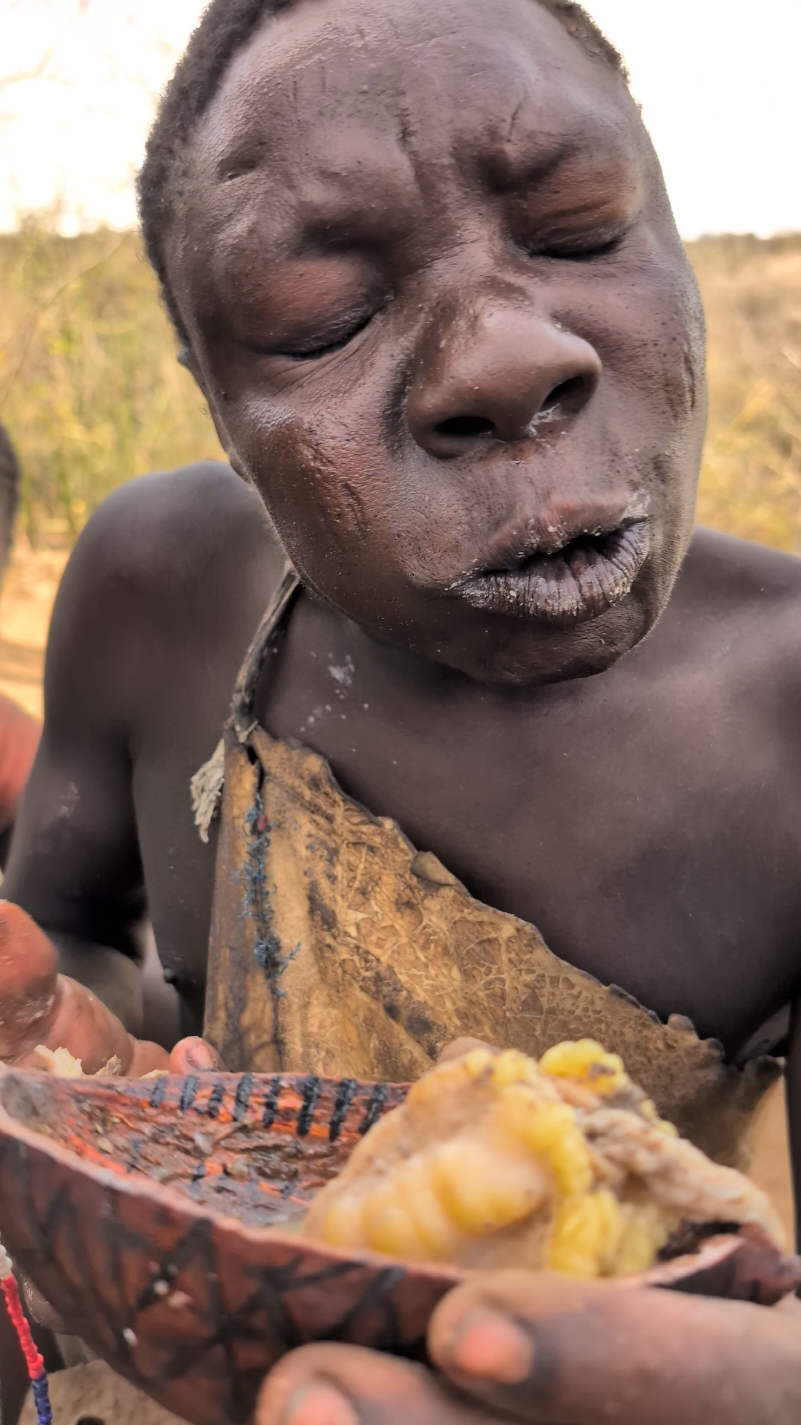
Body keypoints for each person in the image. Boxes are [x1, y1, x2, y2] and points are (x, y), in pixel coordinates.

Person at [1, 0, 801, 1418]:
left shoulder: (785, 720)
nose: (504, 357)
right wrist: (83, 1088)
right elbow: (71, 917)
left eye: (576, 227)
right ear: (220, 418)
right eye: (325, 318)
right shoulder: (156, 588)